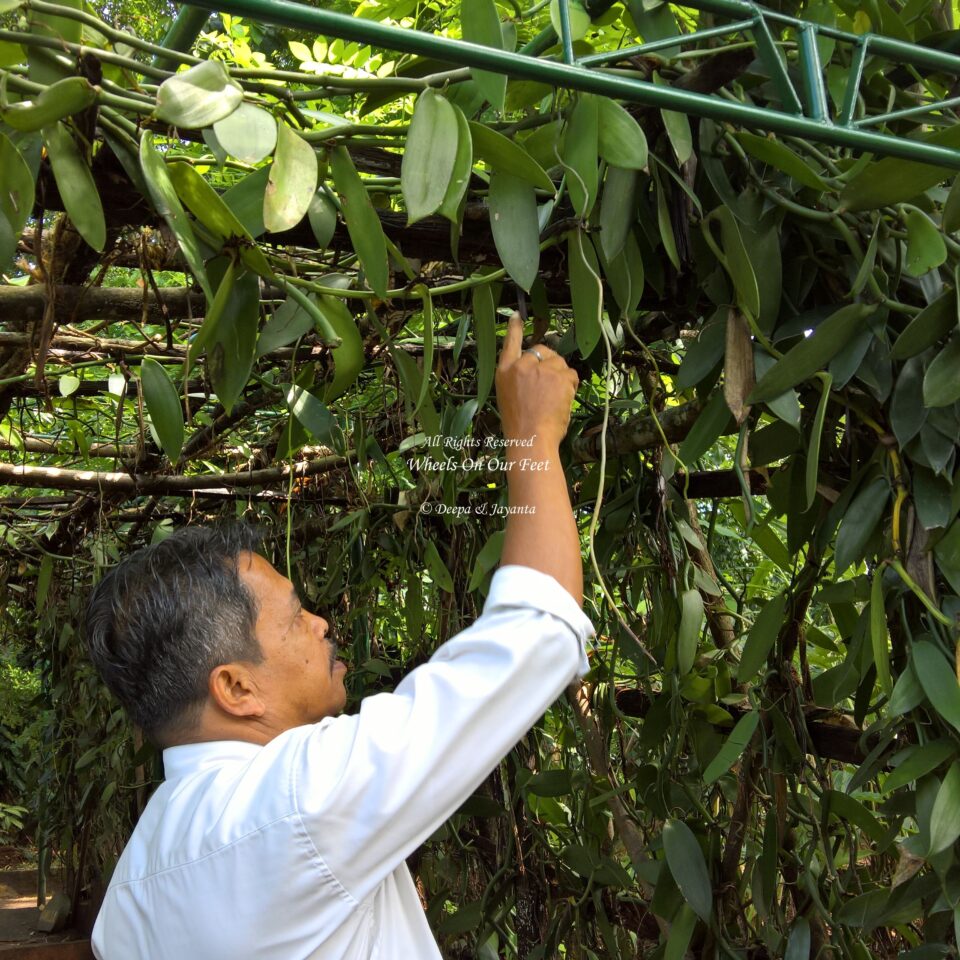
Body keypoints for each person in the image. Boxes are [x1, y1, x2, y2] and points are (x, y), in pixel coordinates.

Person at [85, 311, 594, 959]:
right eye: (295, 617)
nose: (322, 623)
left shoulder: (130, 892)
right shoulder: (301, 800)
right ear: (236, 686)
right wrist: (531, 438)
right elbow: (538, 630)